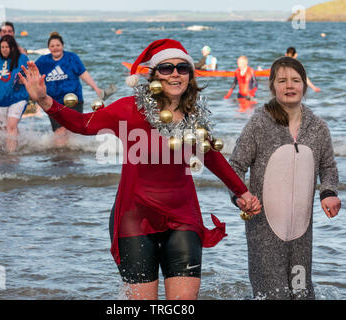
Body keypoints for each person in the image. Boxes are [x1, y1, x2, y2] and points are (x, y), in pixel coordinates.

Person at [19, 39, 261, 300]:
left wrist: (242, 192)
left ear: (190, 76)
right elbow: (82, 124)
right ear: (154, 75)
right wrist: (44, 99)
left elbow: (212, 157)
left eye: (182, 68)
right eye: (166, 68)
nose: (175, 73)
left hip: (183, 217)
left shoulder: (194, 119)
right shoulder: (129, 109)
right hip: (134, 218)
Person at [229, 56, 341, 300]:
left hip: (302, 231)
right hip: (263, 231)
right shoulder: (259, 123)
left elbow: (328, 167)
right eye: (282, 81)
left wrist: (329, 192)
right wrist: (240, 196)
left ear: (304, 85)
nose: (289, 86)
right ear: (272, 86)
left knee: (301, 293)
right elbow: (235, 166)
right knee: (272, 295)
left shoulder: (318, 127)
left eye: (295, 80)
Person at [35, 32, 113, 147]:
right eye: (52, 46)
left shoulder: (72, 58)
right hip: (53, 102)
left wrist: (96, 88)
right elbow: (33, 74)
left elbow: (83, 74)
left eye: (58, 45)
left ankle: (73, 157)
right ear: (49, 48)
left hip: (74, 100)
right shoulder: (43, 61)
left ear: (63, 46)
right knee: (59, 131)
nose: (55, 48)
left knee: (72, 129)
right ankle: (60, 156)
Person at [0, 35, 29, 153]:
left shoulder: (22, 58)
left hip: (18, 98)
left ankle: (11, 156)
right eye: (2, 47)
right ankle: (19, 144)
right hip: (0, 100)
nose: (4, 49)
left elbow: (29, 74)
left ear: (12, 47)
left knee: (11, 126)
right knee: (6, 128)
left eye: (7, 47)